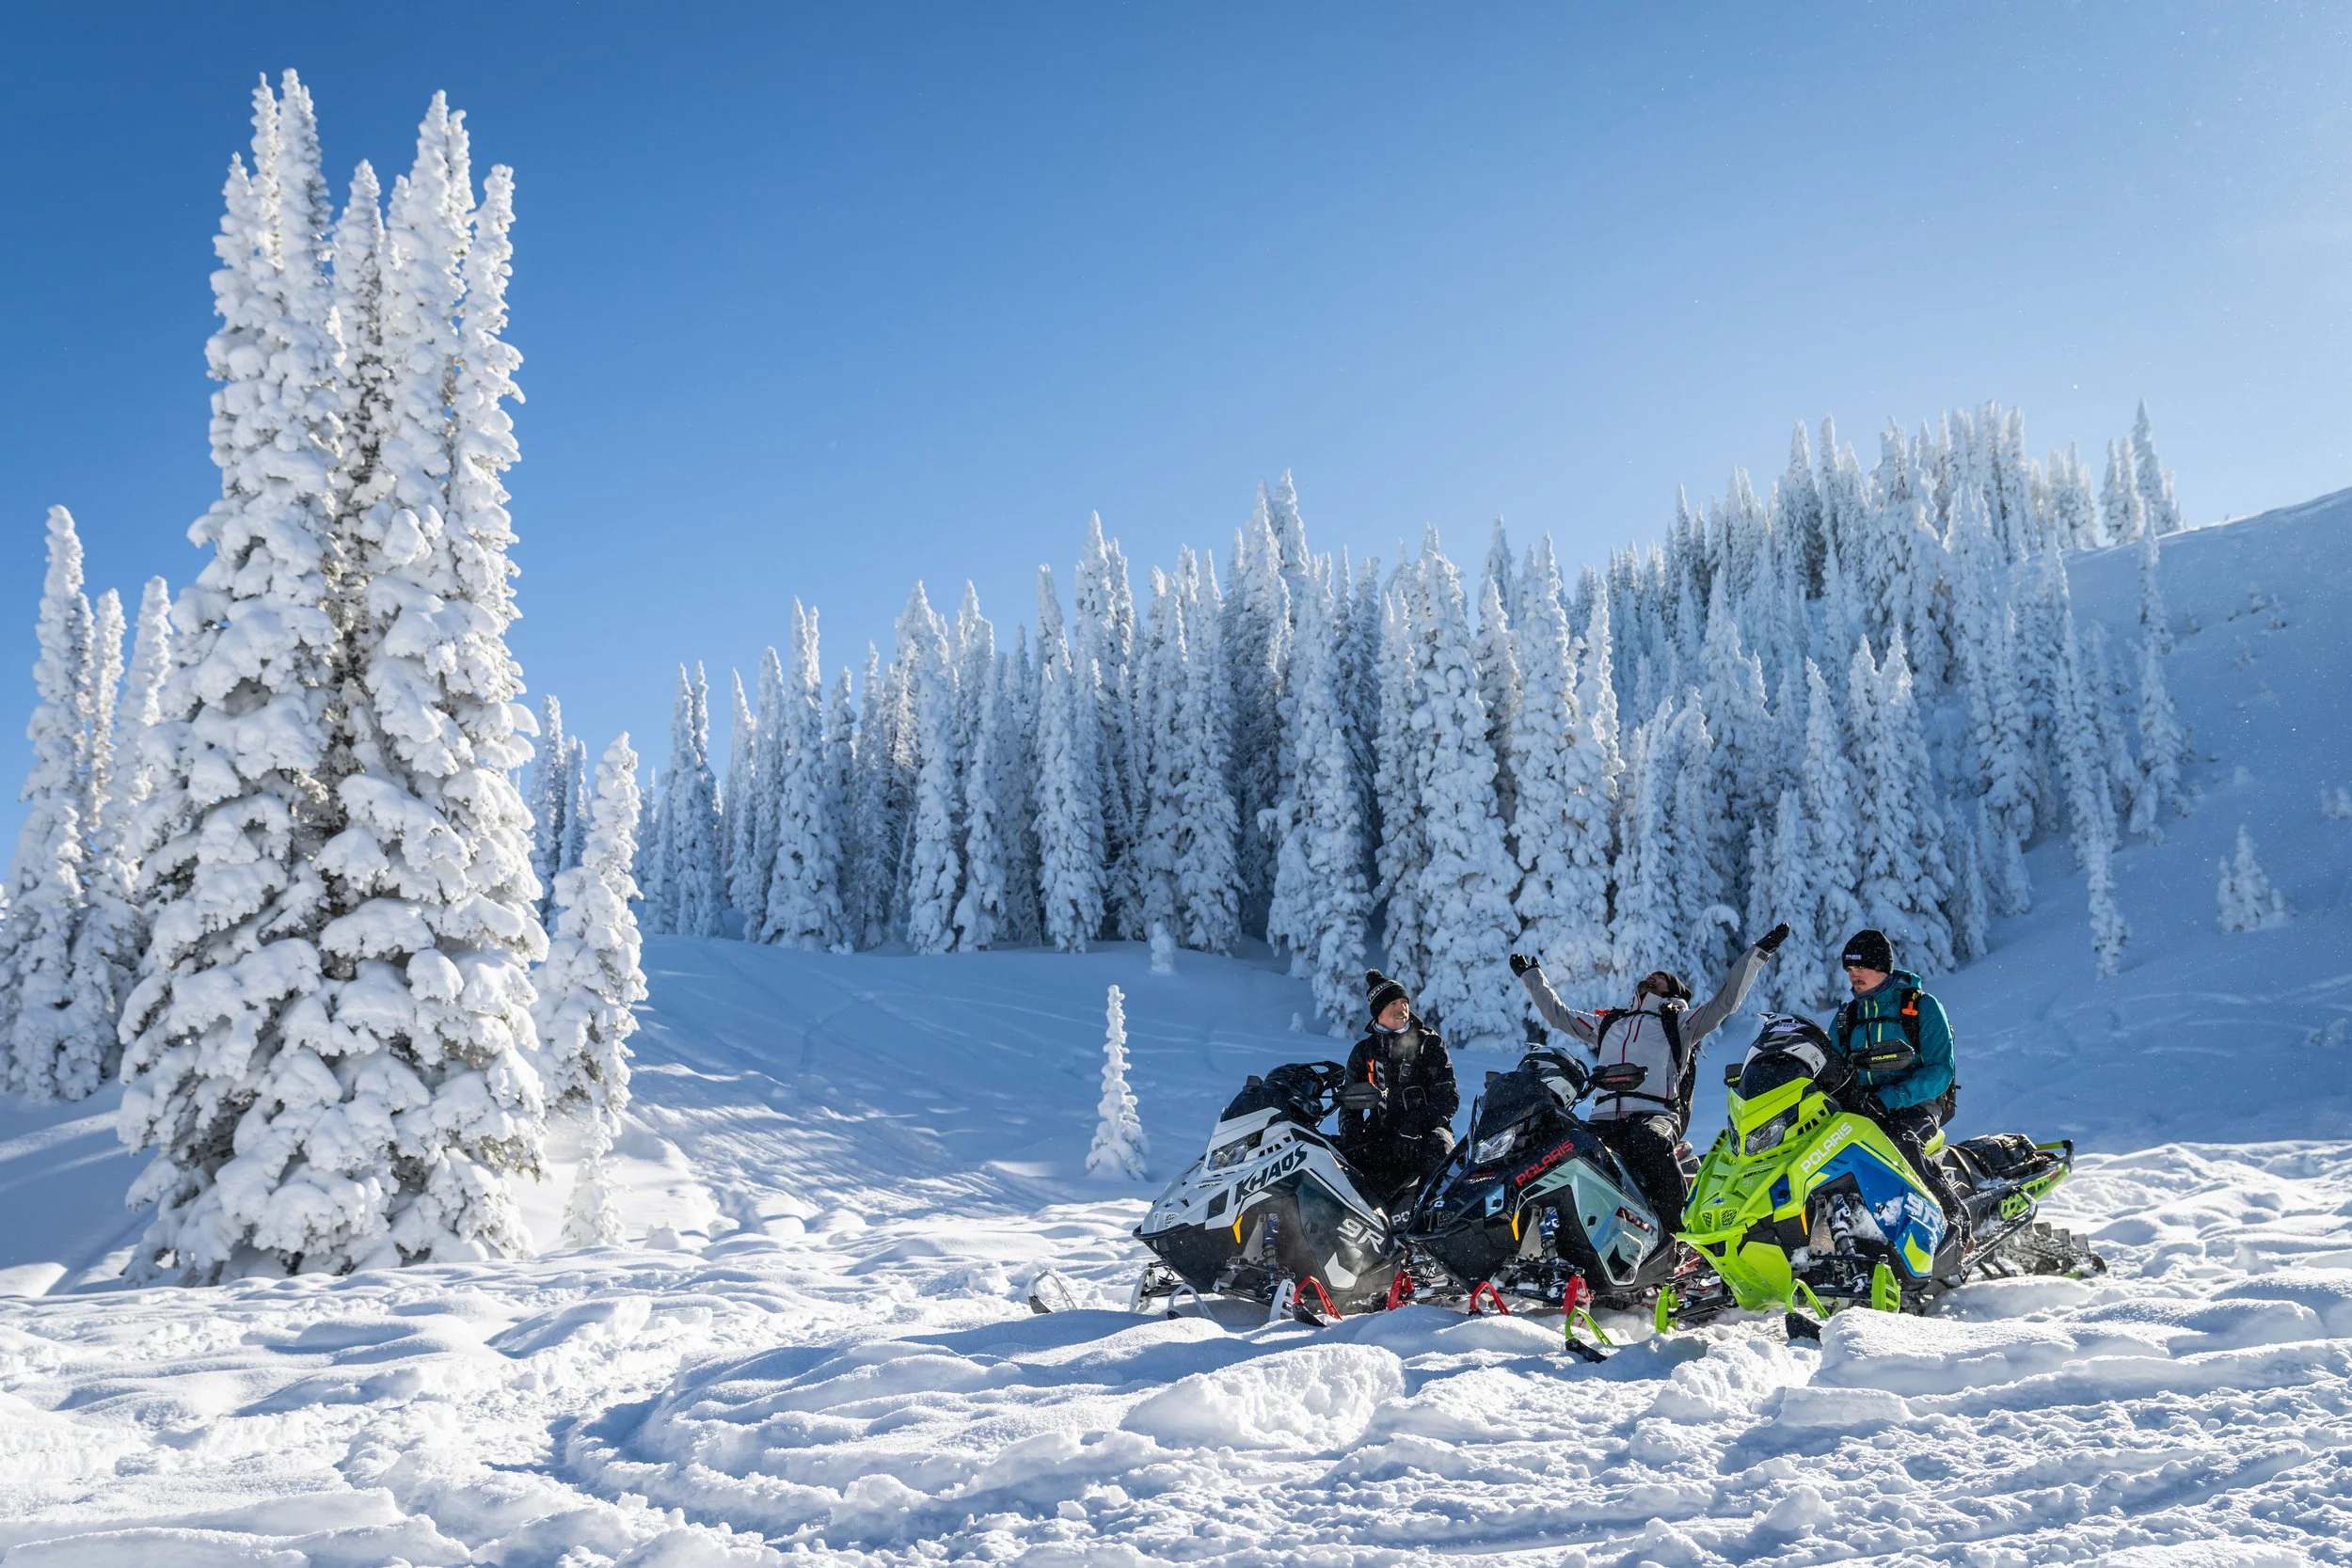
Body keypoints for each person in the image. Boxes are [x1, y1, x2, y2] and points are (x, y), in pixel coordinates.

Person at [1508, 925, 1788, 1228]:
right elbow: (1559, 1015)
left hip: (1652, 1114)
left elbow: (1726, 1000)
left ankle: (1679, 1231)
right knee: (1563, 1146)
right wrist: (1532, 977)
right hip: (1603, 1118)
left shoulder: (1679, 1024)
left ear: (1672, 991)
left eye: (1661, 978)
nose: (1651, 977)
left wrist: (1757, 954)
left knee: (1648, 1143)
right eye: (1650, 975)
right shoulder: (1611, 1023)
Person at [1830, 927, 1966, 1235]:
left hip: (1916, 1106)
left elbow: (1940, 1072)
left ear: (1882, 967)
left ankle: (1953, 1221)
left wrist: (1887, 1099)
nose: (1854, 975)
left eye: (1861, 967)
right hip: (1861, 1111)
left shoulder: (1921, 1007)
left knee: (1897, 1143)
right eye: (1850, 969)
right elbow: (1826, 1066)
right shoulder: (1847, 1017)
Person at [1336, 971, 1460, 1210]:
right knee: (1334, 1156)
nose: (1401, 1008)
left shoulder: (1429, 1044)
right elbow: (1348, 1103)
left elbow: (1448, 1099)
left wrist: (1414, 1125)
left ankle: (1432, 1221)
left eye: (1404, 1002)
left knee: (1440, 1148)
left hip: (1426, 1134)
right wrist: (1350, 1131)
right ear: (1378, 1011)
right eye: (1393, 1003)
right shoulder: (1364, 1052)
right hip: (1382, 1134)